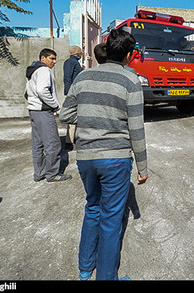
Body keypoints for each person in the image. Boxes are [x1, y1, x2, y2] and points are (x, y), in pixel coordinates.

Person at [60, 29, 149, 281]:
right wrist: (143, 167)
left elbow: (65, 116)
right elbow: (136, 129)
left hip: (86, 157)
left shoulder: (84, 76)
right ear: (129, 55)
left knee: (93, 208)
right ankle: (107, 277)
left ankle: (85, 269)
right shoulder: (131, 81)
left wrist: (88, 119)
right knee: (111, 220)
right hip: (115, 159)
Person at [25, 48, 71, 183]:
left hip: (34, 111)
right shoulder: (44, 70)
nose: (54, 62)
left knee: (38, 144)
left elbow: (26, 92)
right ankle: (52, 174)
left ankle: (39, 173)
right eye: (51, 58)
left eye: (55, 59)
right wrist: (55, 105)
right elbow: (42, 90)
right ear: (43, 58)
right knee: (53, 144)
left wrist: (33, 102)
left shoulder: (33, 70)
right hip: (43, 112)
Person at [63, 46, 83, 148]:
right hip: (72, 93)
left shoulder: (73, 62)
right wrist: (70, 92)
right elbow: (68, 78)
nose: (81, 53)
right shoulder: (71, 62)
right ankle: (69, 141)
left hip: (74, 91)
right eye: (80, 52)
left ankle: (71, 139)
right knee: (72, 117)